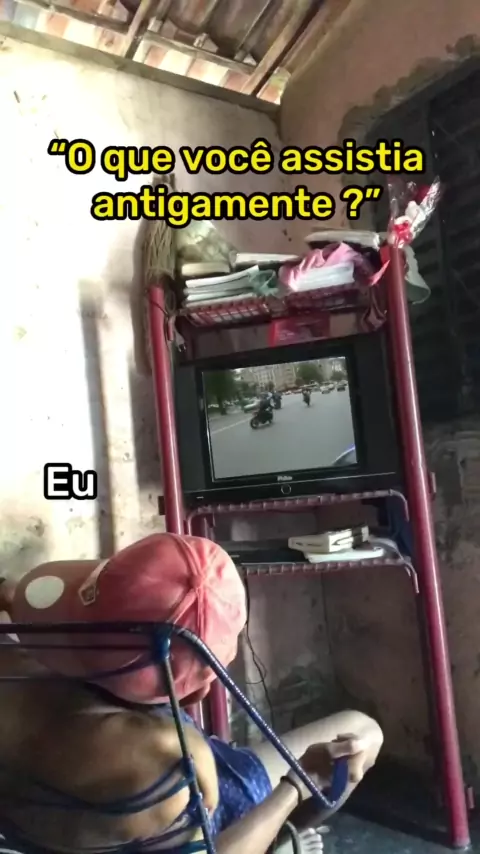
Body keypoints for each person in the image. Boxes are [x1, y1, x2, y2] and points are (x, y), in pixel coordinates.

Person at [0, 534, 383, 854]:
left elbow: (19, 593)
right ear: (198, 685)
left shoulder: (18, 655)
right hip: (193, 834)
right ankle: (271, 836)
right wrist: (296, 787)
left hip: (50, 822)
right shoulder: (171, 757)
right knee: (362, 731)